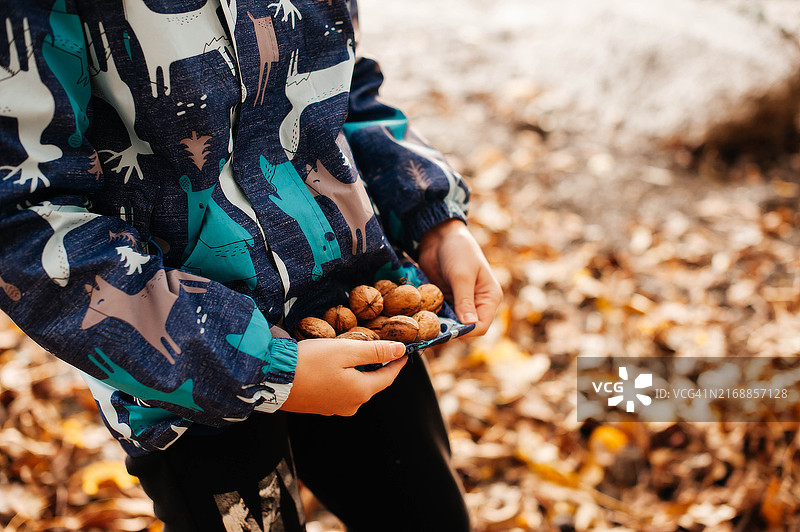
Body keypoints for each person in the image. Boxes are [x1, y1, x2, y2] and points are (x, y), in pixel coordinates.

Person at [0, 0, 502, 530]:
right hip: (187, 375)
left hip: (352, 313)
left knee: (430, 516)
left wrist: (429, 211)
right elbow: (23, 214)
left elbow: (341, 85)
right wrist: (260, 366)